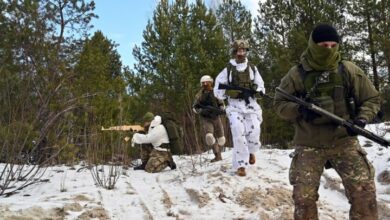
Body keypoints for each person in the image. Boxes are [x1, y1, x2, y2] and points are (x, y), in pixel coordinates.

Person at [274, 23, 380, 220]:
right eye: (324, 46)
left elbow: (372, 98)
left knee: (364, 195)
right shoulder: (296, 74)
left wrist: (362, 118)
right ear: (314, 45)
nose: (329, 50)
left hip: (344, 140)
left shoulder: (348, 70)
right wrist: (301, 110)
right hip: (309, 143)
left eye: (333, 45)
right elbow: (279, 104)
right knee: (303, 200)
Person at [214, 39, 265, 177]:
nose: (240, 53)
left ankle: (251, 151)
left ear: (246, 52)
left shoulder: (252, 68)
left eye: (243, 50)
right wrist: (229, 92)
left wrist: (256, 89)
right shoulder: (228, 69)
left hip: (250, 105)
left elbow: (260, 84)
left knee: (254, 130)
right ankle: (241, 165)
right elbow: (218, 87)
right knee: (238, 132)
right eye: (238, 50)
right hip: (235, 106)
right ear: (234, 52)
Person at [193, 75, 226, 162]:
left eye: (206, 82)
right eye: (203, 83)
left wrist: (221, 109)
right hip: (206, 118)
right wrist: (202, 111)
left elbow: (221, 103)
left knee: (221, 139)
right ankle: (217, 155)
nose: (205, 84)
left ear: (211, 83)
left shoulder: (216, 92)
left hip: (216, 117)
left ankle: (219, 154)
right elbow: (194, 107)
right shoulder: (199, 94)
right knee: (209, 137)